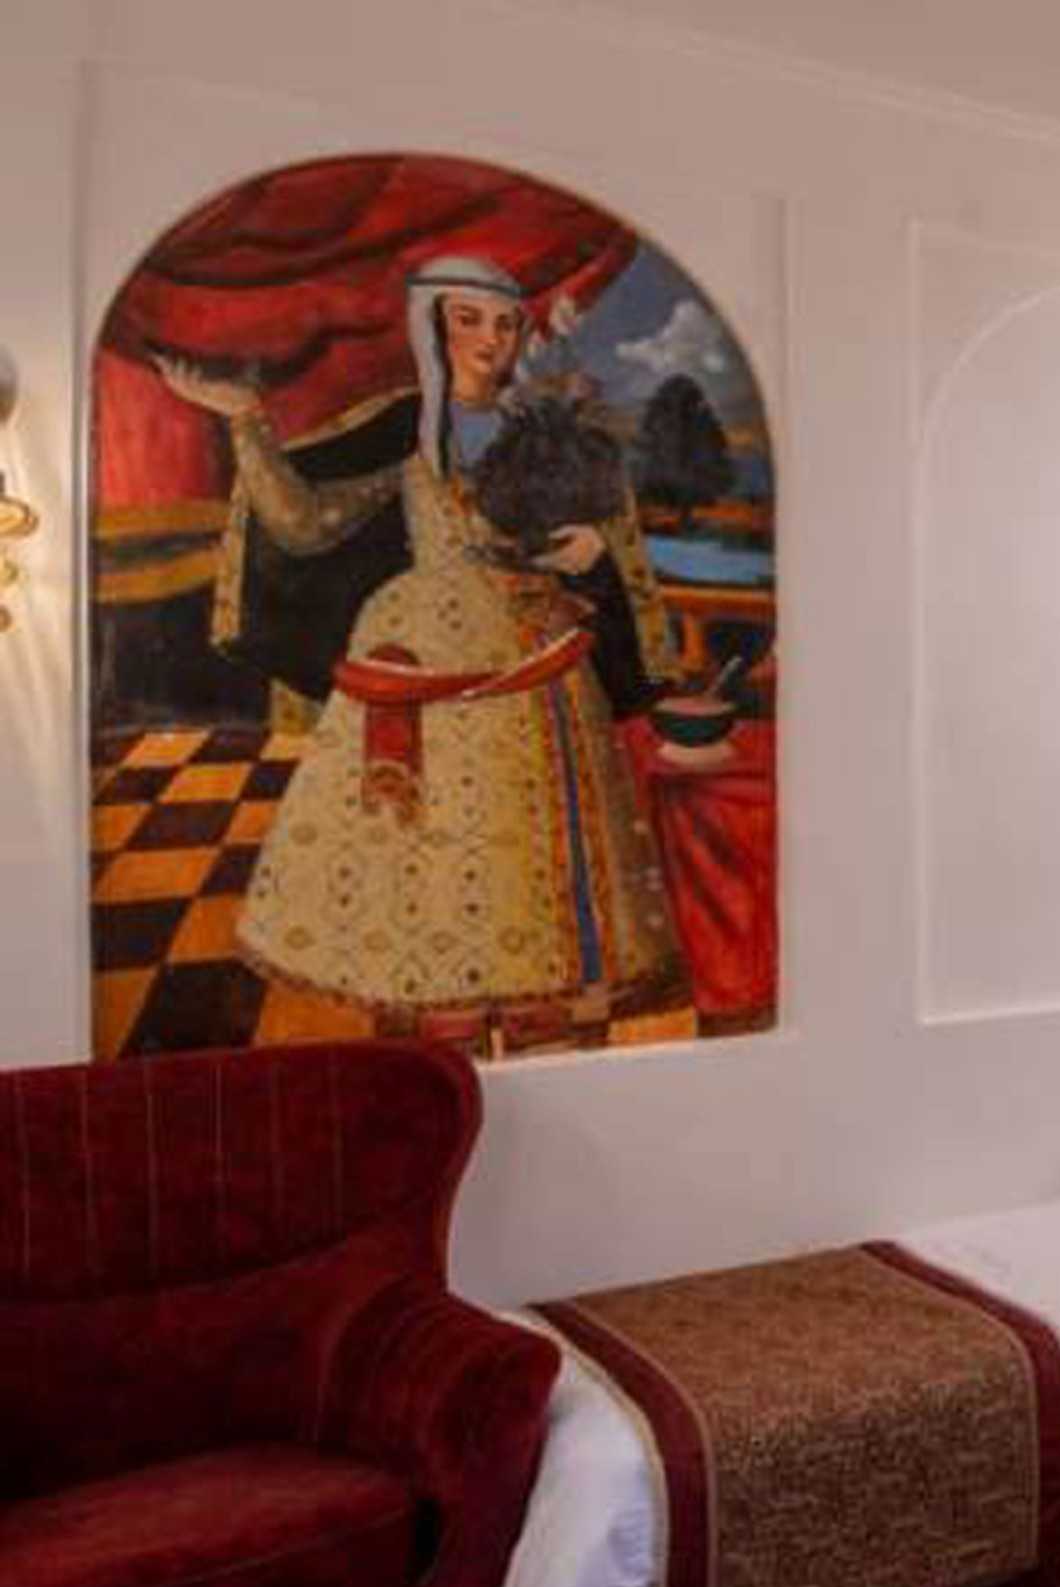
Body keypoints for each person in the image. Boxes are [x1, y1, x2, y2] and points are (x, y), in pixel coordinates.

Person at [156, 254, 687, 1043]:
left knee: (531, 845)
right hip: (422, 658)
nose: (490, 339)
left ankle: (543, 1009)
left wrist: (594, 550)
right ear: (431, 326)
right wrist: (246, 419)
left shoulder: (553, 423)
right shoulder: (398, 429)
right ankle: (447, 1019)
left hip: (541, 664)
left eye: (505, 323)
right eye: (468, 319)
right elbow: (304, 524)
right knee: (428, 843)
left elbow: (608, 537)